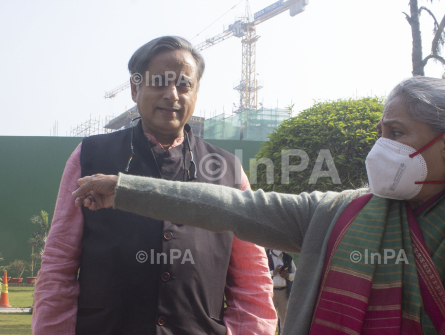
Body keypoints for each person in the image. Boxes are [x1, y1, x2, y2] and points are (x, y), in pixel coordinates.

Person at [73, 77, 445, 335]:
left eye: (396, 133)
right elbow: (234, 206)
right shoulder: (335, 214)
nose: (381, 147)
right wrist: (129, 189)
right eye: (381, 132)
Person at [32, 36, 276, 335]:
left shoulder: (228, 170)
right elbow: (59, 260)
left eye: (184, 84)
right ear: (136, 88)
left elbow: (252, 278)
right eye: (159, 82)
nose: (172, 95)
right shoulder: (90, 156)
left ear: (195, 93)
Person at [267, 249, 296, 334]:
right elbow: (259, 273)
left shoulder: (288, 258)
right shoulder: (265, 256)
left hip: (284, 292)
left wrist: (288, 275)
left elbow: (296, 273)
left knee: (284, 320)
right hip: (270, 292)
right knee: (267, 318)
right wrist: (273, 272)